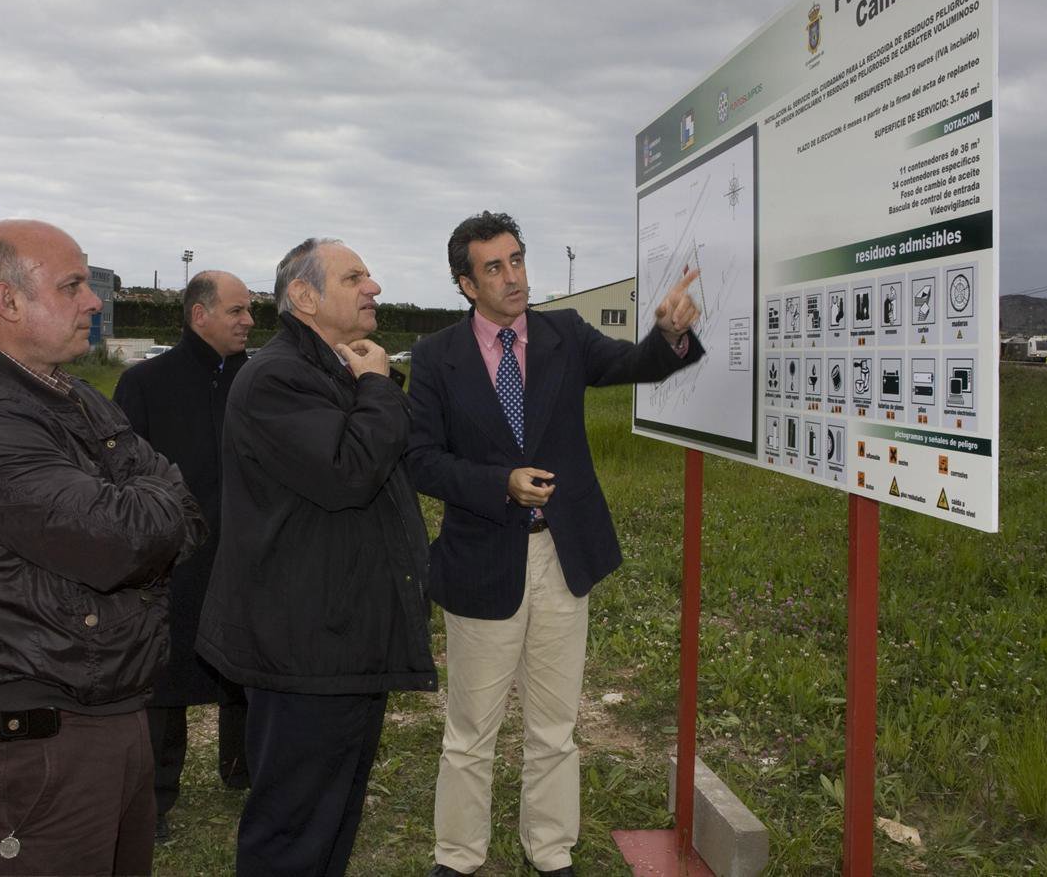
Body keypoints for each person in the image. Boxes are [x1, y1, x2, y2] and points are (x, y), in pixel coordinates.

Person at [407, 211, 703, 877]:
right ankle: (458, 855)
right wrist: (500, 484)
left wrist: (670, 333)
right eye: (494, 267)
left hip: (562, 554)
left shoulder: (564, 334)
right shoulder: (435, 358)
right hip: (482, 560)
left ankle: (550, 848)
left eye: (516, 259)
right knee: (471, 730)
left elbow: (633, 362)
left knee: (554, 723)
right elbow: (420, 460)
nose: (513, 277)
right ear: (466, 284)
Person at [0, 220, 205, 875]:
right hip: (33, 742)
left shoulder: (69, 394)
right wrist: (149, 503)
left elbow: (186, 513)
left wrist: (148, 507)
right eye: (72, 285)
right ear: (8, 301)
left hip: (105, 714)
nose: (92, 301)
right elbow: (119, 541)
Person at [196, 237, 437, 876]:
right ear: (304, 296)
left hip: (339, 637)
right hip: (303, 646)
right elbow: (349, 471)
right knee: (294, 829)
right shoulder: (279, 377)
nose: (374, 287)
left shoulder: (329, 369)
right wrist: (379, 385)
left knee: (331, 818)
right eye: (354, 277)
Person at [113, 270, 256, 842]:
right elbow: (121, 474)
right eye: (237, 310)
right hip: (173, 557)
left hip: (247, 551)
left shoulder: (258, 380)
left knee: (247, 664)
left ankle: (244, 772)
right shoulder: (145, 383)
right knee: (165, 678)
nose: (249, 321)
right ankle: (154, 798)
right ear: (200, 315)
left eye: (249, 310)